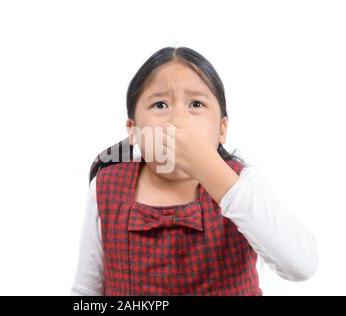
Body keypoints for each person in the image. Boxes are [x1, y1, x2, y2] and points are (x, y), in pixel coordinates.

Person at [70, 46, 318, 296]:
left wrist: (211, 171)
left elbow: (301, 265)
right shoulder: (106, 187)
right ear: (133, 131)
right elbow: (86, 290)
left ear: (222, 129)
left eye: (196, 104)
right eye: (160, 105)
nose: (178, 120)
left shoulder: (242, 183)